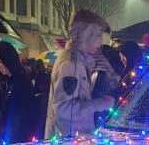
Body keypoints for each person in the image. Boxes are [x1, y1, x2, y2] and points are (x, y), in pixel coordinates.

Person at [45, 10, 116, 138]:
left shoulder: (77, 62)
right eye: (98, 36)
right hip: (68, 144)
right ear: (85, 35)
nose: (100, 43)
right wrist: (100, 103)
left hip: (72, 142)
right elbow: (64, 110)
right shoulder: (71, 64)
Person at [0, 41, 34, 143]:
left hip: (19, 136)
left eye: (0, 62)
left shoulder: (22, 81)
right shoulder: (4, 81)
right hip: (6, 134)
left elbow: (24, 113)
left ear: (8, 60)